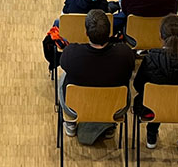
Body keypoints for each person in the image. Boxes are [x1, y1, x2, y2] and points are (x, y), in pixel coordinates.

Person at [58, 10, 136, 143]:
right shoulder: (125, 54)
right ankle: (110, 125)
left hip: (76, 107)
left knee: (64, 76)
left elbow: (63, 65)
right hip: (115, 108)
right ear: (110, 33)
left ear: (86, 33)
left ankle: (71, 123)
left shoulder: (71, 54)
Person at [133, 15, 178, 148]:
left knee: (153, 97)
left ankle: (152, 132)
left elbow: (138, 85)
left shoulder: (150, 58)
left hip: (152, 108)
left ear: (160, 35)